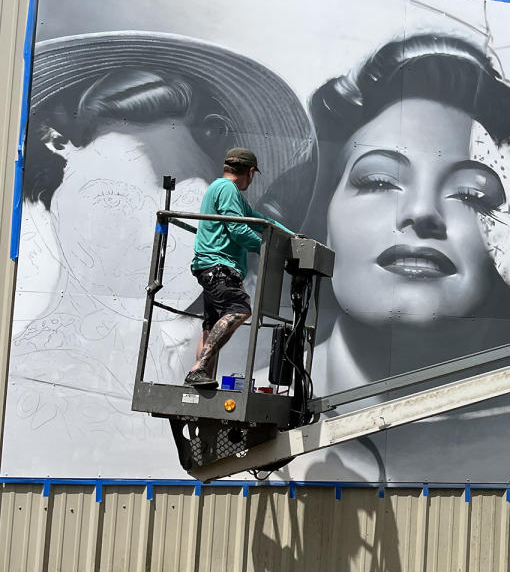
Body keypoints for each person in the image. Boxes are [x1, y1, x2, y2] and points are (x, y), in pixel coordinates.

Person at [265, 33, 510, 482]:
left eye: (470, 193)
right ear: (323, 219)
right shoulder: (257, 413)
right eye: (379, 181)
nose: (422, 213)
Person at [2, 31, 314, 478]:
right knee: (236, 310)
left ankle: (203, 365)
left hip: (209, 283)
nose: (154, 232)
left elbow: (251, 227)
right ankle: (203, 366)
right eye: (114, 199)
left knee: (219, 315)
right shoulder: (42, 376)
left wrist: (284, 239)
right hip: (216, 271)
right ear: (58, 149)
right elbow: (247, 229)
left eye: (184, 197)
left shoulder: (222, 198)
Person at [184, 147, 293, 388]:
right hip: (219, 267)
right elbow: (238, 230)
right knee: (240, 309)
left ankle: (202, 378)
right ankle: (198, 370)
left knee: (211, 327)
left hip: (211, 267)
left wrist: (291, 237)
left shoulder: (225, 191)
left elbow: (261, 221)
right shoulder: (226, 189)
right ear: (251, 172)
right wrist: (270, 250)